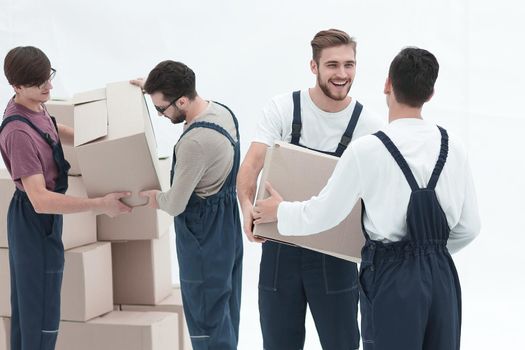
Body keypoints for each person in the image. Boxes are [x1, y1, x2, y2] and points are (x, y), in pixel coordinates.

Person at [254, 47, 481, 350]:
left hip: (391, 276)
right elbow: (470, 227)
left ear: (388, 84)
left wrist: (280, 211)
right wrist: (430, 254)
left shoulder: (367, 150)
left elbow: (324, 215)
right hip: (442, 275)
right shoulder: (454, 146)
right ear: (431, 93)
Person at [237, 29, 384, 350]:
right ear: (314, 66)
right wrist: (246, 207)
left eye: (349, 64)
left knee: (342, 344)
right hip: (280, 250)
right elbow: (250, 167)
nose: (342, 74)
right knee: (278, 344)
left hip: (335, 257)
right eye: (332, 65)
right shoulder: (282, 108)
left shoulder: (369, 125)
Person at [0, 46, 132, 350]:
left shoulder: (35, 104)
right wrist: (99, 205)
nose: (49, 86)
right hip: (33, 221)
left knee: (30, 310)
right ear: (17, 87)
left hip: (41, 220)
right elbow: (41, 200)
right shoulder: (17, 133)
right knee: (40, 314)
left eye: (49, 78)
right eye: (40, 83)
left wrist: (98, 137)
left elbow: (53, 131)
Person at [132, 60, 243, 350]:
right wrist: (151, 87)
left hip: (203, 234)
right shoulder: (222, 111)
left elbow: (175, 204)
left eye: (161, 108)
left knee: (206, 318)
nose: (160, 115)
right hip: (227, 225)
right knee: (224, 312)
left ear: (182, 100)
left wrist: (153, 197)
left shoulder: (194, 143)